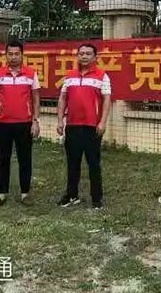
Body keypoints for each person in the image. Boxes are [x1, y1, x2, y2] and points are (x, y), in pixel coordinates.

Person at [57, 43, 111, 209]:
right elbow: (63, 98)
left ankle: (96, 199)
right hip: (72, 126)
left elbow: (107, 100)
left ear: (95, 57)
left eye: (88, 54)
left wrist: (102, 122)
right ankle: (72, 195)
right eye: (81, 53)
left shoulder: (102, 76)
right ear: (77, 56)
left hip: (92, 127)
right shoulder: (70, 76)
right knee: (72, 163)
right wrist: (60, 120)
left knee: (93, 163)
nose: (84, 56)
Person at [0, 39, 40, 207]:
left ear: (22, 55)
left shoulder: (31, 74)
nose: (13, 57)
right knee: (3, 159)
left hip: (24, 123)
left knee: (25, 159)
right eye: (10, 54)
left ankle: (25, 194)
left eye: (17, 54)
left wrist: (36, 121)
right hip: (3, 123)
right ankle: (2, 194)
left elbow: (36, 99)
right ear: (6, 55)